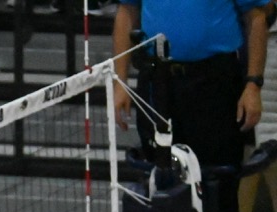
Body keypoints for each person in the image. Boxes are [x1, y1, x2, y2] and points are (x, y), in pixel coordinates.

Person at [113, 0, 268, 172]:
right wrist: (120, 82)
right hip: (156, 81)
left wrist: (253, 85)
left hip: (215, 82)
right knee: (159, 171)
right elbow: (127, 12)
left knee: (218, 176)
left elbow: (256, 18)